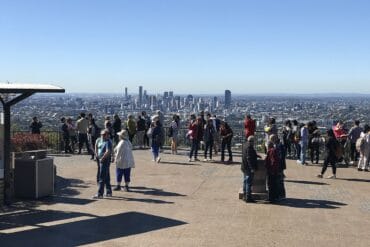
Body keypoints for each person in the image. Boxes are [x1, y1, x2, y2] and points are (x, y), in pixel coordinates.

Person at [241, 136, 262, 203]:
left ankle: (244, 195)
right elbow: (249, 158)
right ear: (252, 142)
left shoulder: (245, 145)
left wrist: (256, 155)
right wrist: (252, 168)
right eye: (253, 141)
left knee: (245, 181)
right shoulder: (249, 147)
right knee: (248, 183)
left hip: (244, 166)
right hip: (248, 168)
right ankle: (248, 197)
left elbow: (248, 155)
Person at [94, 129, 113, 198]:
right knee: (107, 177)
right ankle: (108, 192)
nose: (102, 136)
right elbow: (96, 146)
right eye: (102, 134)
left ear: (107, 135)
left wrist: (102, 158)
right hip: (102, 160)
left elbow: (108, 151)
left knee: (101, 177)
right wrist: (97, 155)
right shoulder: (102, 141)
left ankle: (100, 194)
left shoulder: (108, 142)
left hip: (104, 161)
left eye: (104, 135)